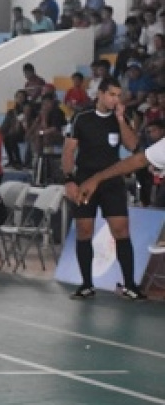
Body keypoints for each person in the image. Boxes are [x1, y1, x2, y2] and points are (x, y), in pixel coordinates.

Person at [63, 77, 145, 300]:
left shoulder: (121, 117)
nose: (115, 99)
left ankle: (130, 285)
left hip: (112, 180)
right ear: (100, 94)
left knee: (121, 230)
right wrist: (69, 179)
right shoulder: (81, 117)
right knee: (84, 230)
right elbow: (69, 150)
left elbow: (132, 145)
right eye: (111, 94)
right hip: (85, 179)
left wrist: (120, 119)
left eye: (118, 95)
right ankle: (86, 284)